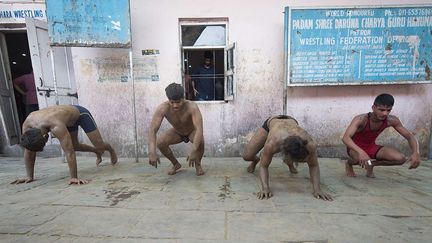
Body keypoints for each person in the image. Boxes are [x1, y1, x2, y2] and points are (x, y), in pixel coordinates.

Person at [10, 105, 118, 185]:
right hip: (65, 119)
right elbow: (29, 151)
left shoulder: (56, 125)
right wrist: (29, 176)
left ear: (45, 137)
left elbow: (69, 151)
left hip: (80, 114)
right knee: (76, 146)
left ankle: (110, 150)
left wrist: (74, 177)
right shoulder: (27, 125)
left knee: (99, 145)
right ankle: (96, 152)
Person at [243, 115, 332, 201]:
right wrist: (265, 188)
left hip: (291, 121)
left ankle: (290, 164)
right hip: (273, 121)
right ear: (284, 152)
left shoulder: (310, 144)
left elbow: (314, 166)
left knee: (304, 157)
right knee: (247, 156)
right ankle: (255, 160)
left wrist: (317, 190)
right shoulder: (272, 143)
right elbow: (263, 166)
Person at [342, 93, 420, 178]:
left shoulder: (391, 120)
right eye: (381, 110)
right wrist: (361, 152)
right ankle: (349, 163)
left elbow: (409, 136)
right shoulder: (361, 119)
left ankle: (371, 164)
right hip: (355, 148)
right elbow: (346, 138)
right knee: (358, 159)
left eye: (388, 110)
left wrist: (416, 152)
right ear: (373, 108)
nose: (385, 114)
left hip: (371, 147)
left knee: (400, 159)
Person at [148, 83, 205, 176]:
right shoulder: (163, 108)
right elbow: (152, 130)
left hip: (191, 132)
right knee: (160, 142)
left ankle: (198, 164)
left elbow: (199, 129)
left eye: (178, 102)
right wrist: (152, 152)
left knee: (200, 140)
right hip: (177, 132)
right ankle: (176, 164)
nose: (175, 105)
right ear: (168, 100)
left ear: (183, 98)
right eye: (172, 102)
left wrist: (194, 150)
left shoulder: (192, 107)